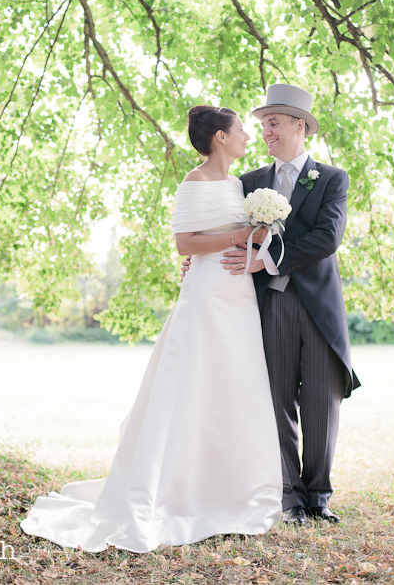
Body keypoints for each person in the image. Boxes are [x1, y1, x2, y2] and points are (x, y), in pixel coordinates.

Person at [20, 105, 282, 553]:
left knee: (234, 386)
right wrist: (237, 238)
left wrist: (256, 242)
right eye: (240, 130)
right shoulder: (193, 182)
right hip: (205, 297)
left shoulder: (239, 184)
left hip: (237, 296)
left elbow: (235, 236)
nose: (246, 136)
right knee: (190, 386)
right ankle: (172, 489)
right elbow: (186, 243)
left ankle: (233, 488)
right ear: (220, 137)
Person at [219, 83, 360, 525]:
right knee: (275, 398)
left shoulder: (332, 178)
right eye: (262, 125)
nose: (266, 132)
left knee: (322, 400)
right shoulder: (248, 182)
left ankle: (318, 496)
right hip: (269, 308)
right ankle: (289, 497)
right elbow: (225, 231)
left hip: (318, 308)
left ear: (300, 126)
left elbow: (326, 239)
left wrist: (268, 260)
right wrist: (195, 263)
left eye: (274, 123)